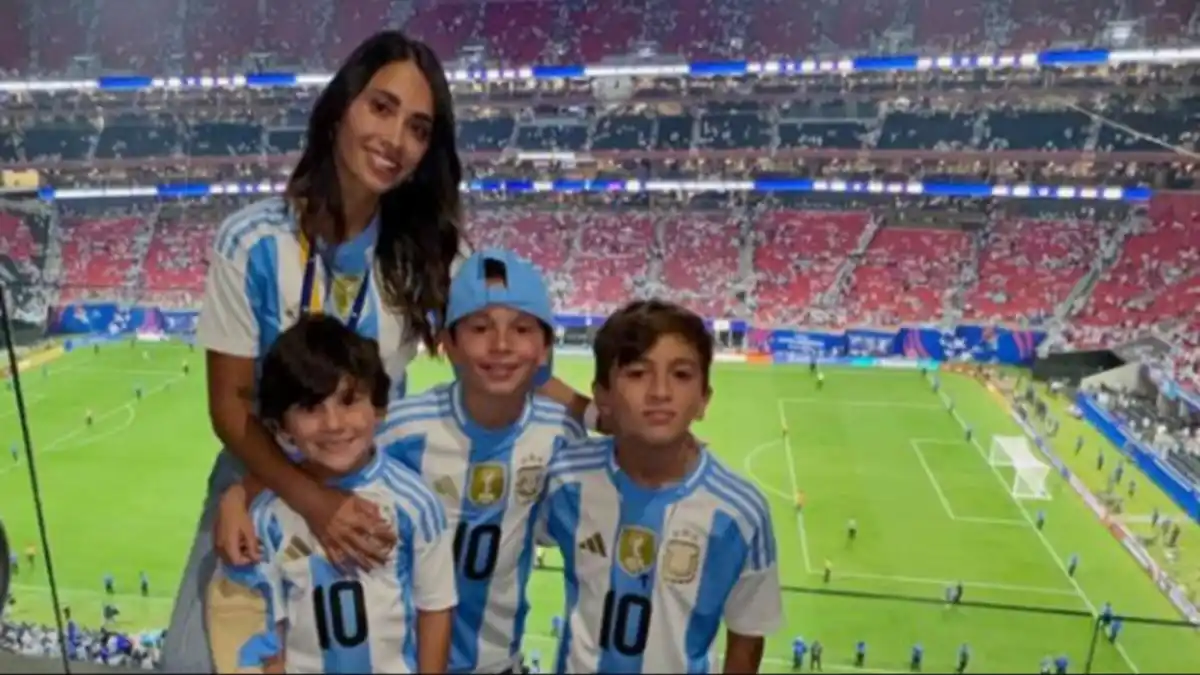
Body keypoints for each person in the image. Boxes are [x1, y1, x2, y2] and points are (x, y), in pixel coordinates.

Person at [163, 30, 593, 672]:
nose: (396, 140)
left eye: (419, 129)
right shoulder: (253, 243)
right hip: (259, 484)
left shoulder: (432, 257)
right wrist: (307, 500)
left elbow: (510, 364)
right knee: (199, 662)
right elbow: (229, 409)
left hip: (372, 483)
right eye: (382, 108)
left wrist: (607, 415)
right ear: (341, 107)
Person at [216, 249, 584, 674]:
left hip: (496, 661)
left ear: (544, 349)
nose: (501, 345)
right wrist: (238, 495)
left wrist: (592, 411)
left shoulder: (561, 435)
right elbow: (320, 464)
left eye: (521, 329)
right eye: (480, 328)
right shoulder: (405, 427)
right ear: (448, 344)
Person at [539, 300, 783, 673]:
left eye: (681, 375)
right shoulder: (565, 477)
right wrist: (589, 414)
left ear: (704, 399)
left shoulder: (740, 512)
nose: (660, 392)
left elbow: (746, 640)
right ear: (603, 394)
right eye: (637, 373)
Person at [206, 315, 456, 673]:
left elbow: (435, 609)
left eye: (349, 401)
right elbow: (268, 634)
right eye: (311, 408)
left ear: (379, 407)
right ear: (281, 427)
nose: (334, 424)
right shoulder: (266, 517)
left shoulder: (415, 504)